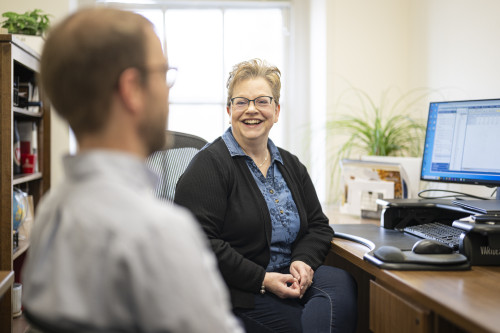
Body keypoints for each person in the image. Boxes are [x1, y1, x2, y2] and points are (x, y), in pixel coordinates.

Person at [21, 8, 243, 333]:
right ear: (132, 89)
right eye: (163, 73)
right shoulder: (160, 234)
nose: (168, 91)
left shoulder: (51, 210)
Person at [174, 58, 357, 333]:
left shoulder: (290, 164)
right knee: (300, 326)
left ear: (276, 110)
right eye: (241, 102)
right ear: (229, 109)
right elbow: (201, 243)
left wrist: (303, 262)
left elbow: (319, 226)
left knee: (341, 285)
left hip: (291, 277)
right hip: (238, 289)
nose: (251, 110)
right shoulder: (209, 165)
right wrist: (263, 279)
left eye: (262, 101)